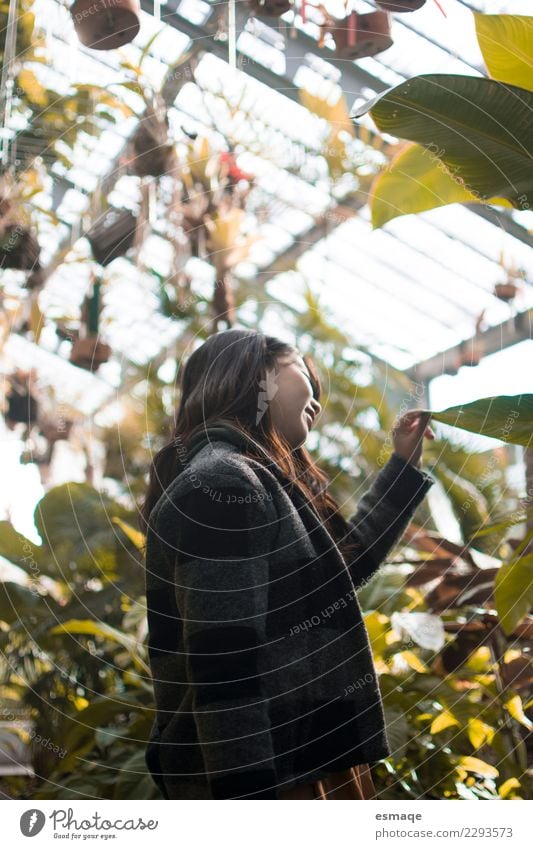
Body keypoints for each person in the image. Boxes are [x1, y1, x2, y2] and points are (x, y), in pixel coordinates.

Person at [140, 328, 436, 800]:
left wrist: (401, 467)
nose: (316, 397)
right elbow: (224, 660)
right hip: (270, 772)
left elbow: (339, 572)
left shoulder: (249, 477)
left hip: (297, 758)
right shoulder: (224, 481)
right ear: (257, 375)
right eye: (302, 371)